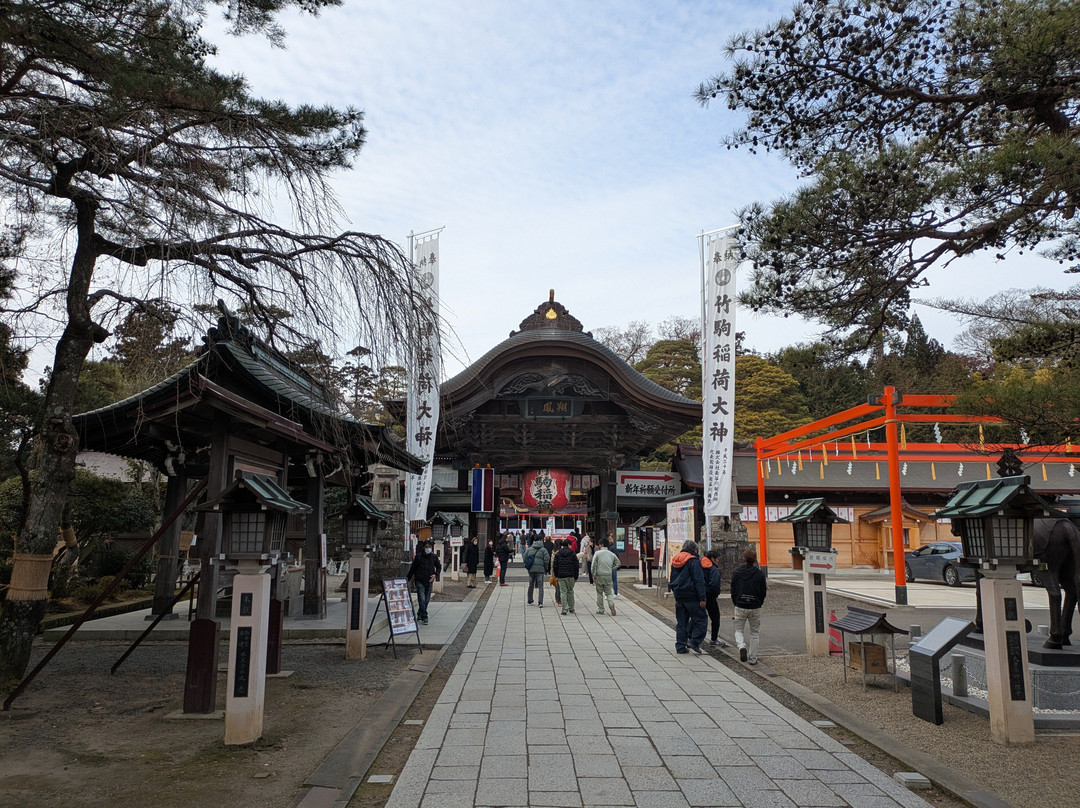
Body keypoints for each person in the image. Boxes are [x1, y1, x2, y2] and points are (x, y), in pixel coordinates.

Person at [669, 539, 707, 654]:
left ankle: (680, 646)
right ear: (694, 549)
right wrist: (702, 597)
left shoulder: (676, 560)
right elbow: (699, 580)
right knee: (701, 619)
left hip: (679, 595)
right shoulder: (693, 561)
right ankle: (694, 641)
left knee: (681, 622)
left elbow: (672, 578)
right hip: (692, 595)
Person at [731, 546, 768, 664]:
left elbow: (733, 589)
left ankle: (742, 646)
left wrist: (735, 601)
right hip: (755, 605)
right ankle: (753, 658)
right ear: (755, 560)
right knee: (754, 632)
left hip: (740, 604)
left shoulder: (736, 572)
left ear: (744, 559)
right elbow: (763, 591)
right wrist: (760, 602)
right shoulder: (760, 574)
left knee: (738, 630)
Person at [405, 539, 441, 625]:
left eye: (429, 547)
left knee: (427, 599)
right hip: (420, 580)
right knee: (422, 598)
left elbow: (439, 567)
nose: (428, 549)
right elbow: (413, 569)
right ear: (423, 547)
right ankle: (425, 616)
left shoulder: (434, 557)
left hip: (429, 580)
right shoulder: (418, 557)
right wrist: (407, 579)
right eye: (426, 547)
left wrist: (435, 574)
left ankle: (420, 613)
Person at [702, 548, 728, 647]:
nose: (718, 561)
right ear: (713, 559)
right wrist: (715, 594)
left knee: (698, 616)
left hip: (700, 594)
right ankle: (714, 638)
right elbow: (715, 584)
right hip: (710, 596)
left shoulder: (700, 565)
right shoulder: (713, 569)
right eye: (717, 559)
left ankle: (690, 635)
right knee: (715, 617)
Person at [590, 537, 619, 616]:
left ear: (601, 544)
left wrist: (594, 574)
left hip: (599, 574)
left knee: (599, 593)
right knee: (609, 592)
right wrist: (611, 567)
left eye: (599, 544)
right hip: (608, 574)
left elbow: (593, 565)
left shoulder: (597, 553)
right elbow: (618, 563)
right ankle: (611, 604)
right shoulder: (611, 554)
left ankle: (601, 609)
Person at [553, 537, 580, 615]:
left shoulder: (558, 553)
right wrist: (576, 576)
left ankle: (564, 609)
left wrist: (556, 574)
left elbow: (555, 565)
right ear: (568, 545)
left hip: (561, 575)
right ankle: (571, 608)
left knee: (563, 592)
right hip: (571, 575)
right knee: (570, 591)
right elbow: (576, 565)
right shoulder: (572, 553)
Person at [523, 533, 550, 607]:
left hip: (531, 570)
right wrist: (544, 567)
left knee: (531, 584)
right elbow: (547, 559)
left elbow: (525, 558)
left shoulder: (529, 549)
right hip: (540, 570)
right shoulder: (543, 550)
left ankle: (529, 600)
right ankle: (540, 602)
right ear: (541, 540)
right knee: (540, 586)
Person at [607, 532, 619, 596]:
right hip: (613, 565)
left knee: (608, 580)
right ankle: (615, 592)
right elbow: (617, 556)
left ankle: (607, 593)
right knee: (614, 580)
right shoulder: (613, 548)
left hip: (607, 565)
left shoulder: (606, 548)